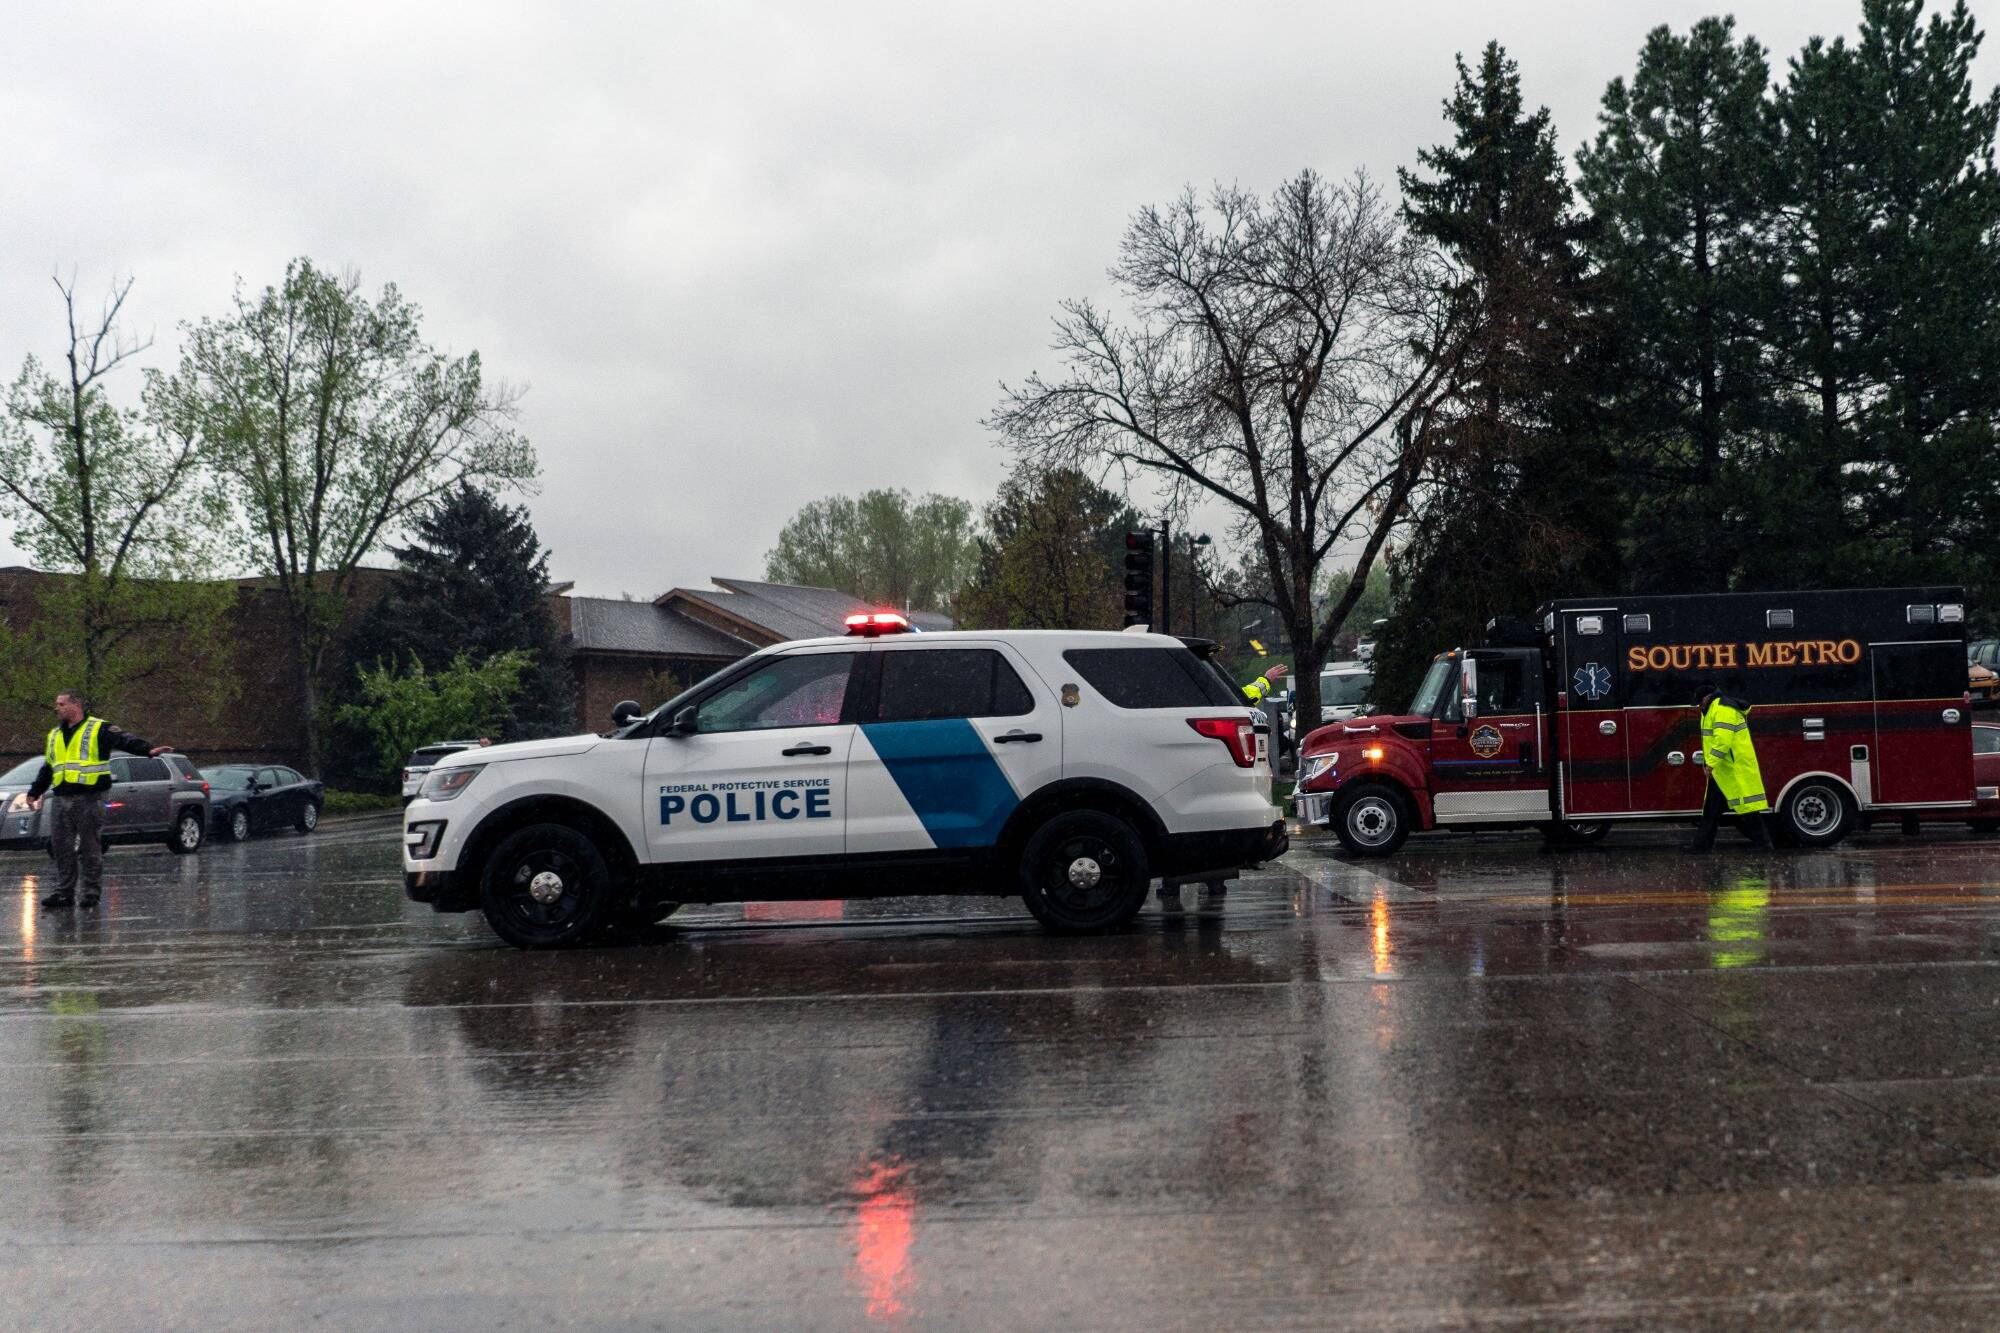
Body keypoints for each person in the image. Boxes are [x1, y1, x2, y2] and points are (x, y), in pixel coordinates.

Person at [25, 690, 175, 911]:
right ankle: (64, 894)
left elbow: (124, 739)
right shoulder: (55, 734)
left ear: (76, 706)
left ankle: (90, 894)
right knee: (62, 847)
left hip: (89, 797)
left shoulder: (99, 728)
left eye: (61, 704)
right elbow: (49, 766)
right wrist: (35, 791)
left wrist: (148, 750)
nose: (56, 708)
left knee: (89, 846)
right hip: (61, 797)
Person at [1687, 686, 1772, 853]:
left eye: (1699, 703)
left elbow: (1722, 742)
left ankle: (1764, 845)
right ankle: (1701, 847)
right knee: (1712, 811)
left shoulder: (1722, 709)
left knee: (1746, 810)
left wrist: (1710, 763)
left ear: (1706, 698)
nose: (1699, 706)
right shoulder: (1714, 709)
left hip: (1732, 770)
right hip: (1724, 770)